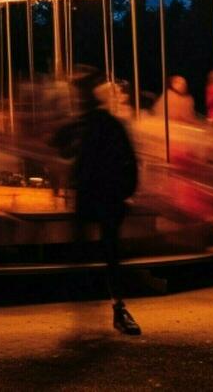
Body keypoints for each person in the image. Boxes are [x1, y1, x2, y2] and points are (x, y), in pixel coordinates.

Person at [53, 71, 142, 336]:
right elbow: (129, 160)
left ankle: (105, 305)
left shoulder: (95, 124)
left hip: (100, 195)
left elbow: (62, 146)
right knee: (107, 252)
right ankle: (113, 306)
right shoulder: (96, 124)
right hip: (103, 196)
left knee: (97, 251)